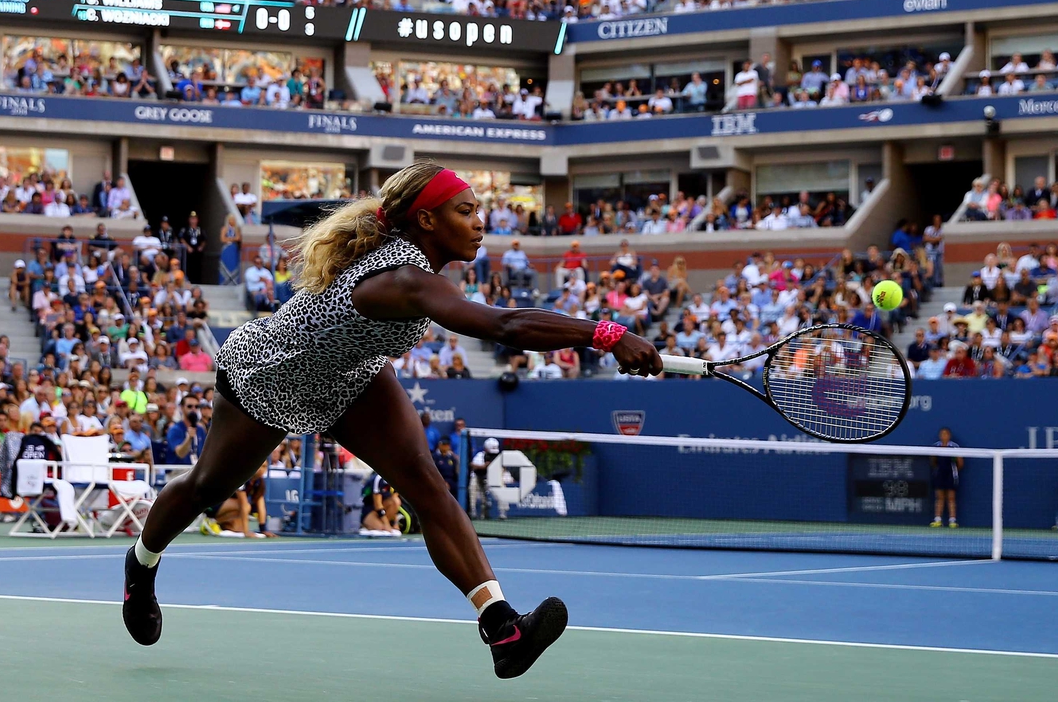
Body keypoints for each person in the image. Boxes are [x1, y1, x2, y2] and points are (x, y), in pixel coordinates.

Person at [121, 162, 661, 679]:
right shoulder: (405, 279)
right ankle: (141, 567)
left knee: (427, 484)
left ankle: (503, 630)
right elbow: (507, 325)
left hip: (352, 375)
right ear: (427, 220)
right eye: (465, 211)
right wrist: (604, 334)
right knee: (204, 487)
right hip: (272, 373)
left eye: (479, 211)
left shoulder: (418, 272)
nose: (480, 223)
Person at [930, 427, 962, 528]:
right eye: (942, 434)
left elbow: (960, 463)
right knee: (939, 497)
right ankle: (938, 520)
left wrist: (953, 471)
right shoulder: (936, 446)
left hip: (951, 475)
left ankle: (952, 521)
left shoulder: (954, 447)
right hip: (939, 475)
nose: (944, 436)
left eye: (946, 434)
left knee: (951, 498)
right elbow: (933, 462)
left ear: (949, 435)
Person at [360, 471, 402, 535]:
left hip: (382, 508)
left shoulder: (397, 479)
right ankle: (365, 524)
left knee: (396, 501)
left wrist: (395, 523)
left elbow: (395, 503)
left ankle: (382, 523)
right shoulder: (378, 479)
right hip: (367, 508)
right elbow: (377, 505)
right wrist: (386, 524)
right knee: (381, 528)